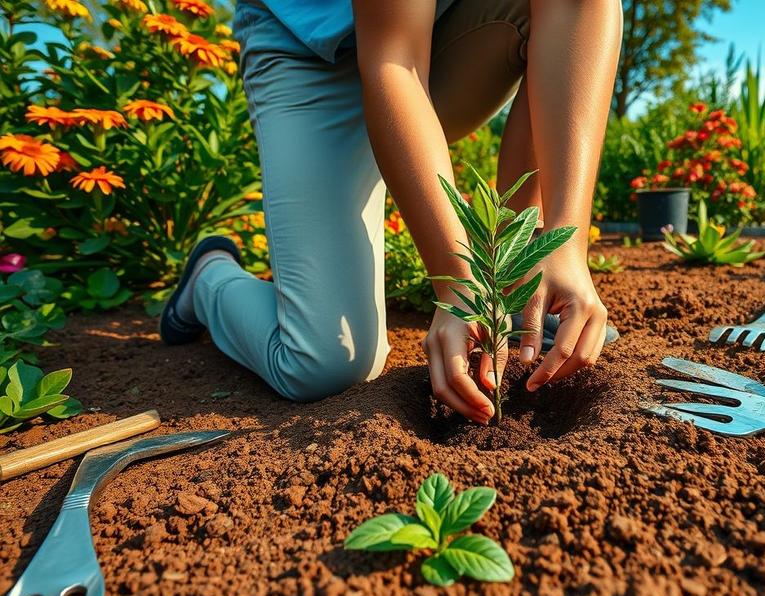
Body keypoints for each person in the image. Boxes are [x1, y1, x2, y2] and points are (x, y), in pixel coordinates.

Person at [159, 0, 623, 425]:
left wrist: (564, 241)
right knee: (323, 363)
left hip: (447, 36)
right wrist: (456, 286)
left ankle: (515, 291)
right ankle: (209, 279)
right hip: (307, 53)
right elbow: (393, 60)